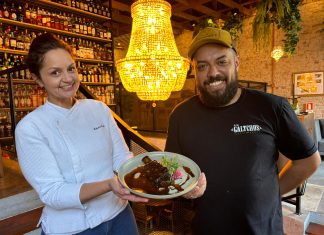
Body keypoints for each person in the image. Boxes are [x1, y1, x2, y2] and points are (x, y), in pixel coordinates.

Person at [165, 27, 321, 235]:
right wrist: (183, 190)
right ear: (194, 70)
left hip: (261, 229)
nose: (213, 73)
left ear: (236, 62)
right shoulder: (180, 116)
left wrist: (270, 193)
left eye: (222, 62)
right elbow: (172, 173)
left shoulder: (272, 107)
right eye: (202, 66)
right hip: (202, 229)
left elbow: (308, 161)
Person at [15, 33, 148, 235]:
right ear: (38, 79)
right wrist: (110, 184)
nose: (68, 79)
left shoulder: (99, 109)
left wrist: (143, 176)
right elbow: (53, 193)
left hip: (119, 213)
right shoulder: (31, 128)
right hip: (73, 227)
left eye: (71, 69)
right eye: (55, 73)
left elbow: (122, 157)